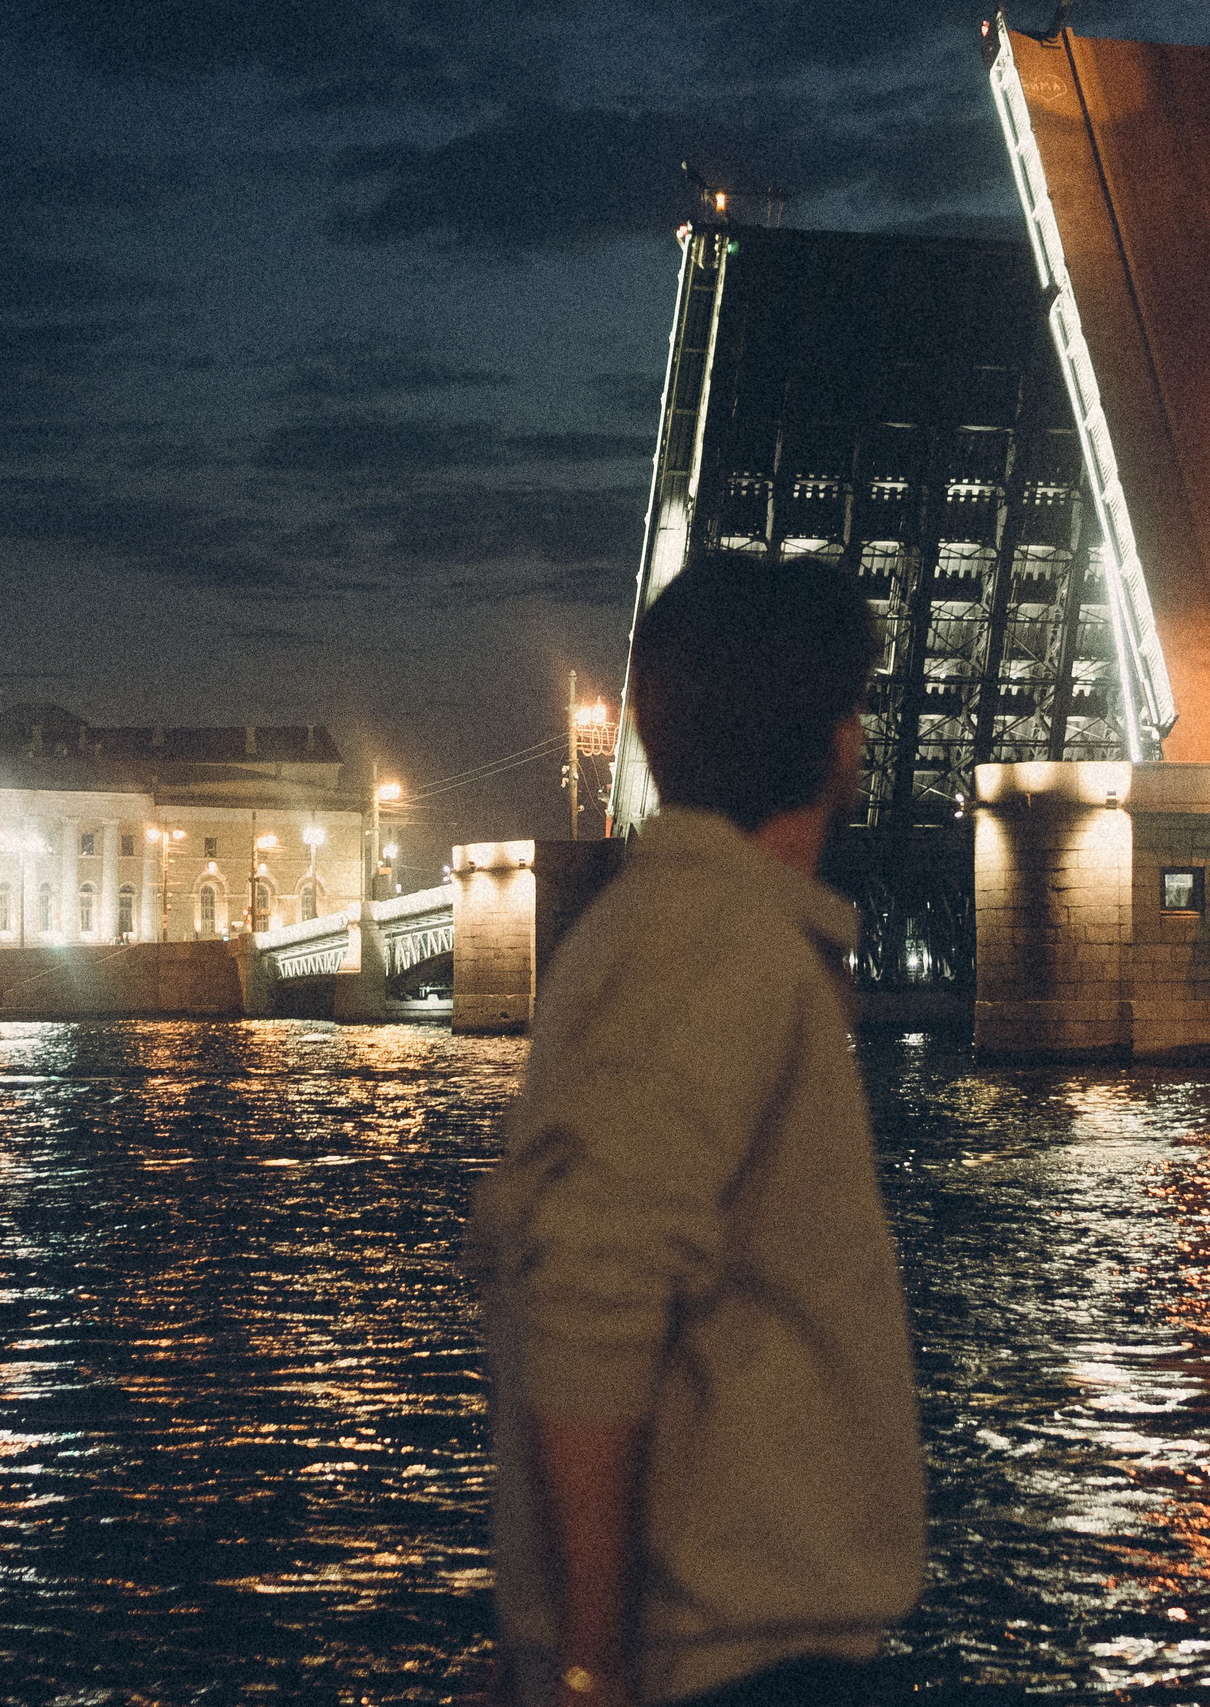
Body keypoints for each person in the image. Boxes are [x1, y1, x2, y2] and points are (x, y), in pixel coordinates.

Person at [466, 554, 924, 1706]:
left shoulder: (660, 928)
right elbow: (589, 1283)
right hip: (742, 1664)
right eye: (854, 709)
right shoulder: (718, 940)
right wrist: (584, 1671)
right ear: (834, 742)